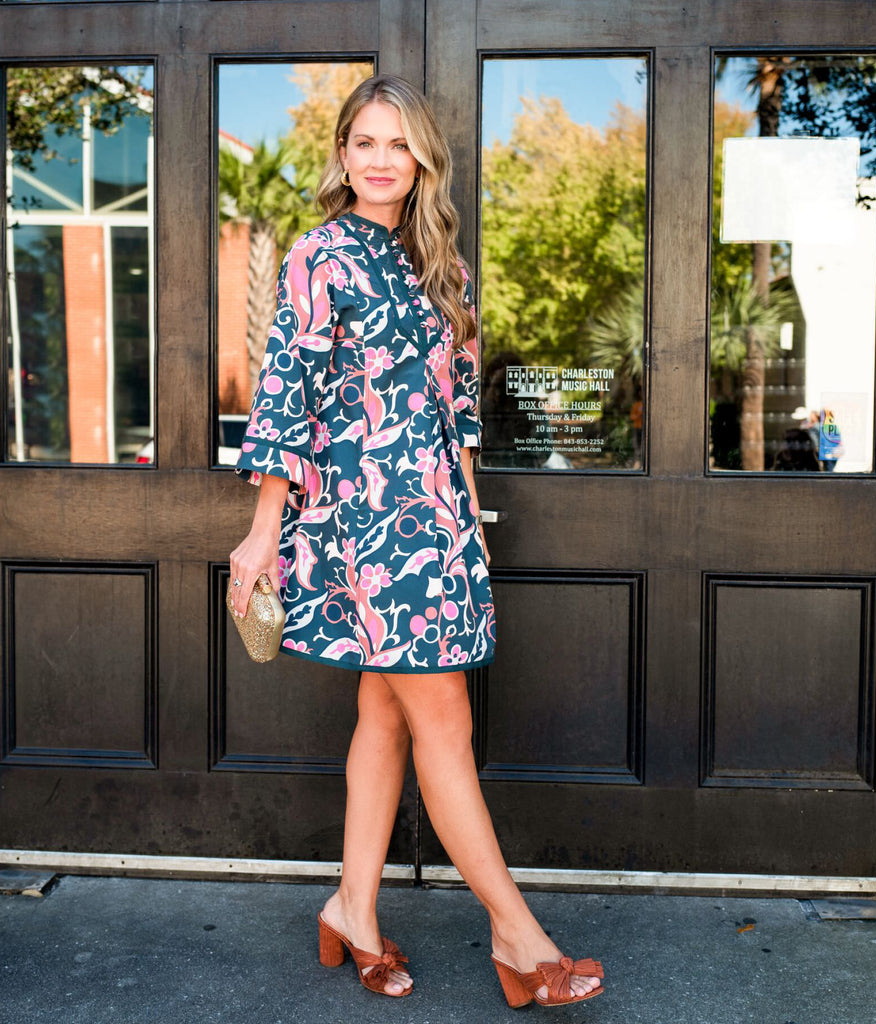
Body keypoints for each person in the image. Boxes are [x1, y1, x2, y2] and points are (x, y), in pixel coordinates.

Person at [228, 74, 604, 1009]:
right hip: (361, 521)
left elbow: (459, 410)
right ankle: (517, 936)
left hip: (436, 520)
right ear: (344, 156)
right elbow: (287, 399)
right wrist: (260, 533)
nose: (382, 160)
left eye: (399, 144)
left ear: (422, 158)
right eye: (364, 142)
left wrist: (468, 526)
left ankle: (353, 908)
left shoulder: (445, 267)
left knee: (387, 715)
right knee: (444, 719)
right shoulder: (319, 256)